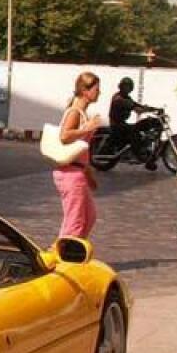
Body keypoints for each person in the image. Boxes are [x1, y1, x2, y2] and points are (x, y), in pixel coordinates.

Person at [53, 71, 104, 238]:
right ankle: (62, 256)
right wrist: (87, 128)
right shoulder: (75, 112)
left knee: (88, 217)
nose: (99, 92)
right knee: (74, 222)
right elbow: (64, 136)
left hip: (78, 172)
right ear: (85, 91)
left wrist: (89, 175)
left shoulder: (82, 113)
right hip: (70, 174)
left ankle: (73, 252)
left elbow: (81, 149)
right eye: (96, 89)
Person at [107, 76, 162, 157]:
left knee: (139, 127)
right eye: (126, 86)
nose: (127, 88)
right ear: (121, 86)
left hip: (122, 123)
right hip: (117, 125)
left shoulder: (127, 97)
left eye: (129, 86)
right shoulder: (118, 98)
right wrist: (146, 110)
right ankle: (137, 153)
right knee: (135, 130)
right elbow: (136, 108)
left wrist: (154, 109)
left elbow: (137, 104)